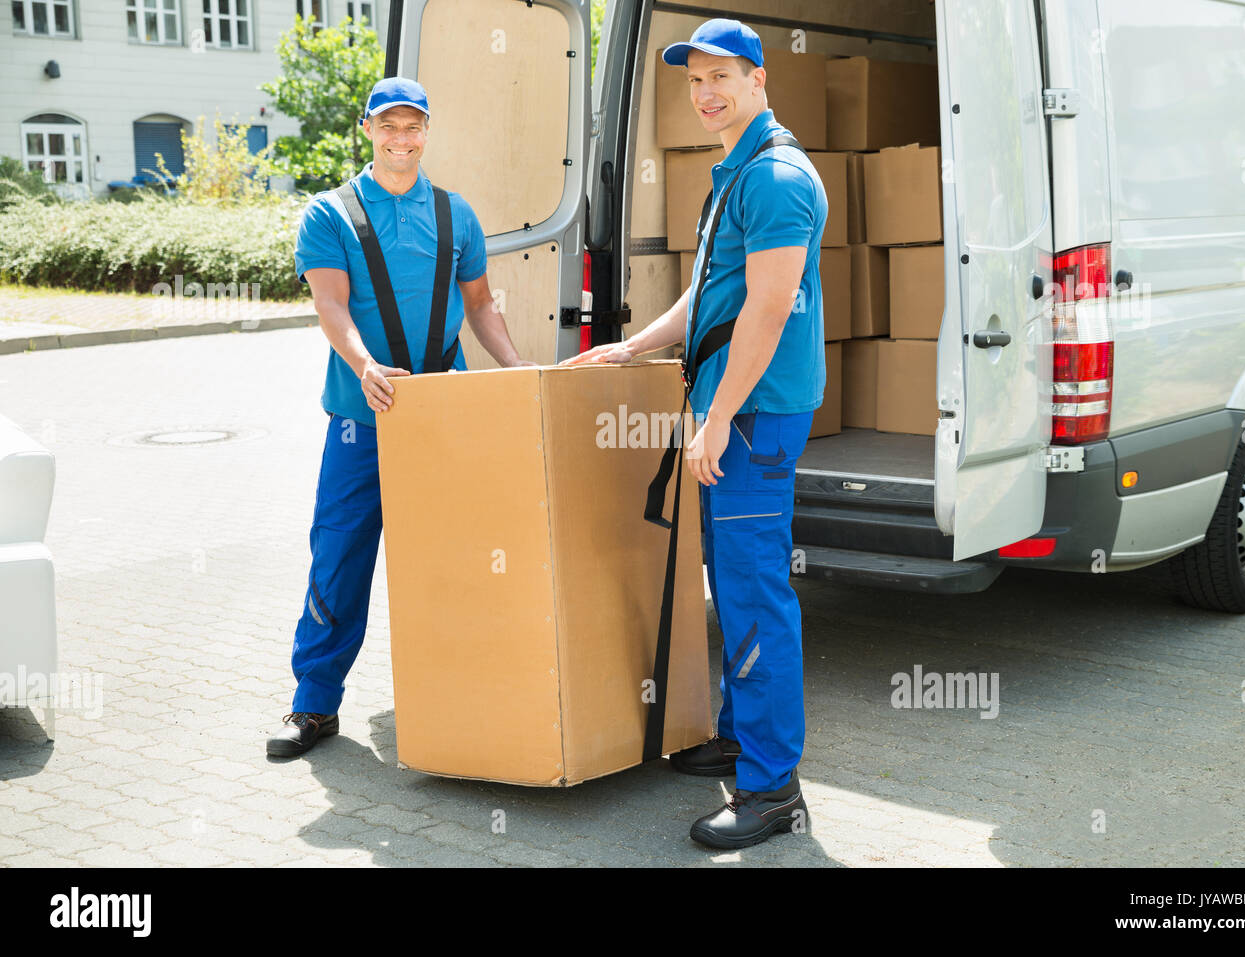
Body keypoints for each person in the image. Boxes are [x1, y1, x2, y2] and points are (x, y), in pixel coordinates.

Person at [565, 19, 828, 848]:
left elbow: (767, 306)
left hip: (753, 413)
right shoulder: (736, 172)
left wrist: (716, 420)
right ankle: (738, 734)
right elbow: (711, 294)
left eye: (721, 76)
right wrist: (638, 342)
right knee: (733, 582)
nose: (706, 93)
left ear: (758, 78)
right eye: (693, 80)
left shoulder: (777, 177)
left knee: (753, 593)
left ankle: (771, 787)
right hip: (732, 406)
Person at [269, 77, 534, 757]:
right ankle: (314, 704)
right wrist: (365, 365)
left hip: (447, 418)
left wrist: (514, 365)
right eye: (389, 126)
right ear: (367, 130)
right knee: (339, 556)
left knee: (460, 561)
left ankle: (463, 694)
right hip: (363, 419)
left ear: (426, 131)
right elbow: (331, 305)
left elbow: (480, 306)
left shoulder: (456, 215)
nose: (402, 138)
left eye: (413, 125)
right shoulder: (330, 214)